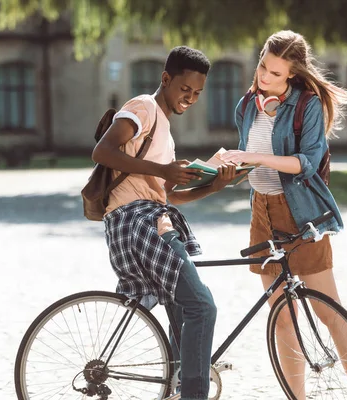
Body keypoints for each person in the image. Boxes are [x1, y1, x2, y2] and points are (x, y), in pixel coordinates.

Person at [219, 30, 347, 399]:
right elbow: (247, 157)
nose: (263, 77)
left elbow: (307, 163)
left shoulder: (308, 105)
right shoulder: (246, 106)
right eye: (262, 67)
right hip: (262, 213)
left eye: (274, 73)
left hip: (302, 213)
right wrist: (221, 167)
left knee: (329, 313)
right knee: (282, 318)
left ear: (293, 74)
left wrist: (255, 158)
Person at [92, 46, 240, 400]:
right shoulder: (143, 107)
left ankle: (177, 388)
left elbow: (169, 196)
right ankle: (192, 394)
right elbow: (102, 150)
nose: (190, 98)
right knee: (202, 307)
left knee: (184, 309)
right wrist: (163, 170)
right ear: (165, 79)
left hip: (151, 218)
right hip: (137, 221)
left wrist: (214, 184)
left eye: (197, 94)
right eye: (184, 89)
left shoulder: (166, 131)